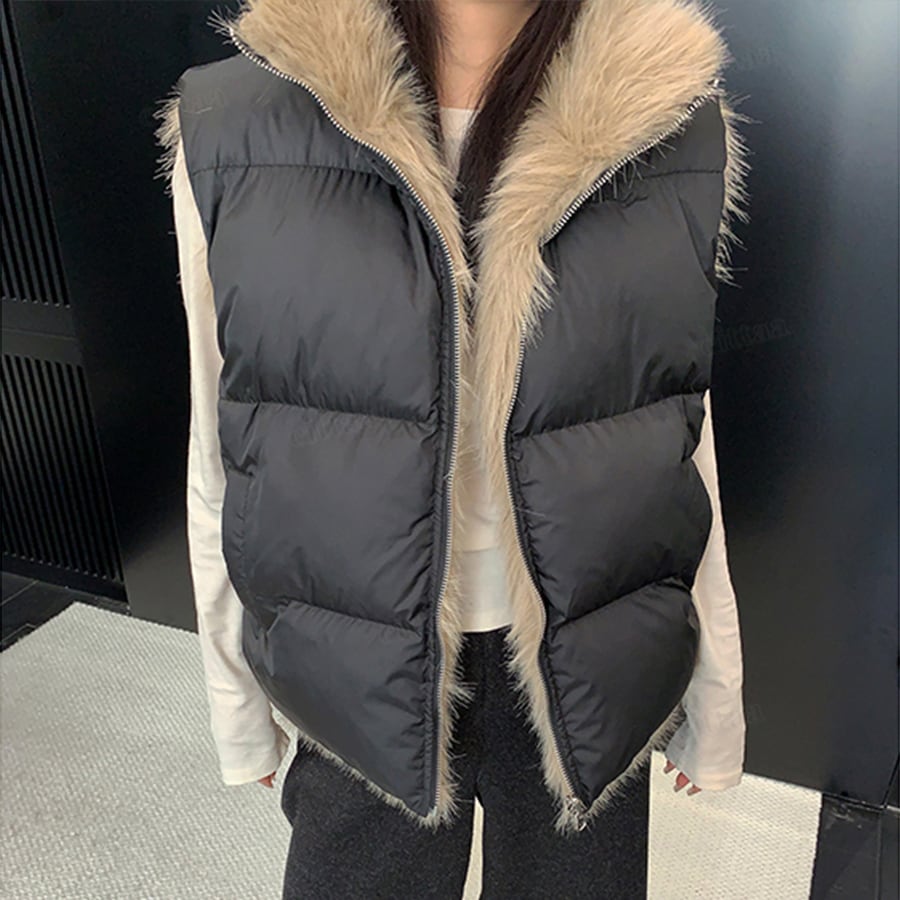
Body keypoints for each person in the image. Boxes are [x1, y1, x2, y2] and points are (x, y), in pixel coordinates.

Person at [155, 0, 749, 896]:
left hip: (591, 660)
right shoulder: (236, 123)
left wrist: (715, 691)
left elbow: (672, 433)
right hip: (355, 670)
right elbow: (224, 443)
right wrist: (238, 699)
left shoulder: (670, 122)